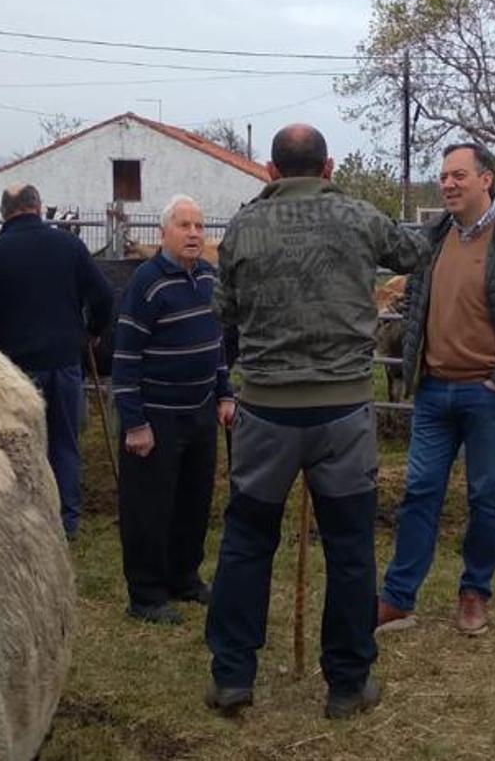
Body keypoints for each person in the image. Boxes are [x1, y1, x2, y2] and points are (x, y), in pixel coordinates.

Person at [204, 124, 428, 720]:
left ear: (271, 171)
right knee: (351, 548)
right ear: (328, 167)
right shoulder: (360, 217)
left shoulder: (243, 226)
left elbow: (222, 309)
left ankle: (232, 676)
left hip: (266, 412)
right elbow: (416, 255)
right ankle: (348, 685)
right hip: (343, 412)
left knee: (247, 543)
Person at [376, 143, 495, 637]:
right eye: (444, 177)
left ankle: (474, 592)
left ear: (487, 180)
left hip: (487, 394)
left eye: (459, 175)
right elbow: (414, 302)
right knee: (419, 492)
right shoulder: (433, 238)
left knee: (486, 496)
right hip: (435, 390)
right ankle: (398, 598)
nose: (449, 184)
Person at [112, 195, 235, 625]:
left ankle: (184, 577)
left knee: (193, 501)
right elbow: (125, 357)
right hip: (156, 416)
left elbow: (217, 343)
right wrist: (134, 422)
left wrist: (225, 393)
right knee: (149, 506)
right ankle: (145, 593)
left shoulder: (208, 278)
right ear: (163, 233)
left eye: (200, 226)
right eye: (184, 225)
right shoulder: (147, 283)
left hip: (199, 411)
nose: (194, 234)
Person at [0, 184, 113, 540]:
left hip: (14, 369)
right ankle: (66, 520)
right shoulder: (68, 245)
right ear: (38, 207)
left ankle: (26, 519)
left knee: (19, 444)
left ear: (5, 213)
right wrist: (93, 332)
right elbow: (104, 295)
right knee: (65, 441)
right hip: (64, 361)